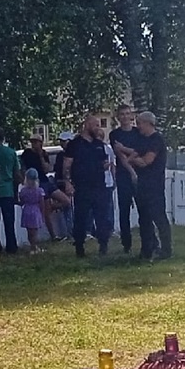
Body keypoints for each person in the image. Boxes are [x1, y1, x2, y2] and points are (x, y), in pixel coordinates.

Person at [121, 111, 171, 260]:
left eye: (140, 123)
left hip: (154, 185)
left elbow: (146, 161)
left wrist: (135, 159)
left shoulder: (157, 140)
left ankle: (166, 250)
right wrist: (135, 159)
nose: (138, 126)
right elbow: (132, 157)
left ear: (148, 123)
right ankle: (146, 250)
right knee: (144, 219)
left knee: (159, 217)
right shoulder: (141, 140)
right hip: (141, 185)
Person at [61, 113, 112, 257]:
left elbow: (103, 162)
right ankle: (79, 247)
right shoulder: (75, 144)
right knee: (81, 218)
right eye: (96, 125)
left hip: (99, 186)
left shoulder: (99, 145)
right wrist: (67, 182)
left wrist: (106, 166)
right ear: (88, 125)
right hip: (82, 187)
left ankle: (103, 245)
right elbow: (67, 165)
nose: (98, 128)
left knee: (102, 217)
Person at [108, 104, 140, 253]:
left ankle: (149, 240)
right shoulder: (115, 134)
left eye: (128, 113)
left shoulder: (137, 132)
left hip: (140, 173)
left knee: (143, 207)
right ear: (118, 117)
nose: (125, 117)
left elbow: (138, 151)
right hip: (124, 175)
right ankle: (126, 243)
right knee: (124, 210)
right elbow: (119, 155)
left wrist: (126, 150)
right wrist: (131, 171)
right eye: (122, 114)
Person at [0, 127, 21, 255]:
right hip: (7, 190)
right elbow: (17, 174)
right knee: (9, 221)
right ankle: (12, 246)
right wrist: (16, 192)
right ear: (3, 138)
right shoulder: (11, 152)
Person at [18, 168, 46, 251]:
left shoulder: (23, 191)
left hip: (26, 210)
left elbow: (22, 201)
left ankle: (32, 246)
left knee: (29, 231)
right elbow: (42, 203)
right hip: (35, 211)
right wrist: (42, 213)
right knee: (35, 232)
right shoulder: (39, 191)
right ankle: (34, 247)